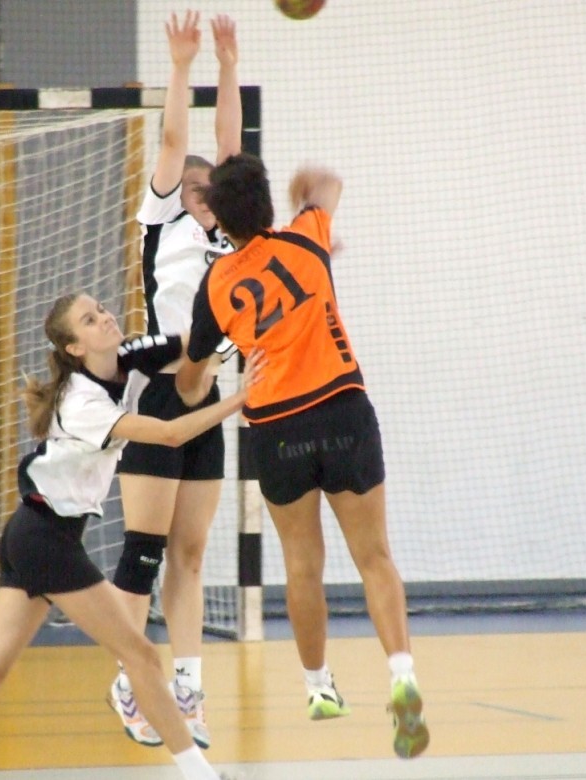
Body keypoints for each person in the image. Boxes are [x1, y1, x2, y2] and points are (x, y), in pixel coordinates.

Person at [0, 292, 262, 780]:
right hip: (46, 539)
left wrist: (241, 314)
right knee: (142, 656)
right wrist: (239, 399)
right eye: (89, 320)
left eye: (100, 310)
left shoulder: (125, 357)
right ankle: (201, 774)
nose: (104, 318)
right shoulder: (82, 402)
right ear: (74, 347)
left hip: (31, 536)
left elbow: (191, 339)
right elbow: (170, 434)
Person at [173, 152, 429, 759]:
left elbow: (187, 386)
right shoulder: (307, 235)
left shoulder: (217, 285)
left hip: (276, 426)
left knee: (301, 564)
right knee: (375, 557)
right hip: (342, 408)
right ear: (266, 204)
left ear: (219, 219)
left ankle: (319, 688)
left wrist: (219, 369)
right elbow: (329, 182)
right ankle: (402, 676)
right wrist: (302, 189)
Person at [109, 9, 242, 749]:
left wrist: (230, 67)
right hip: (160, 392)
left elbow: (229, 150)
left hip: (209, 396)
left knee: (190, 555)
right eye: (192, 184)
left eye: (208, 186)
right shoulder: (163, 222)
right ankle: (131, 679)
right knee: (145, 551)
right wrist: (185, 67)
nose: (202, 188)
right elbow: (175, 142)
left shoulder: (230, 235)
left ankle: (186, 689)